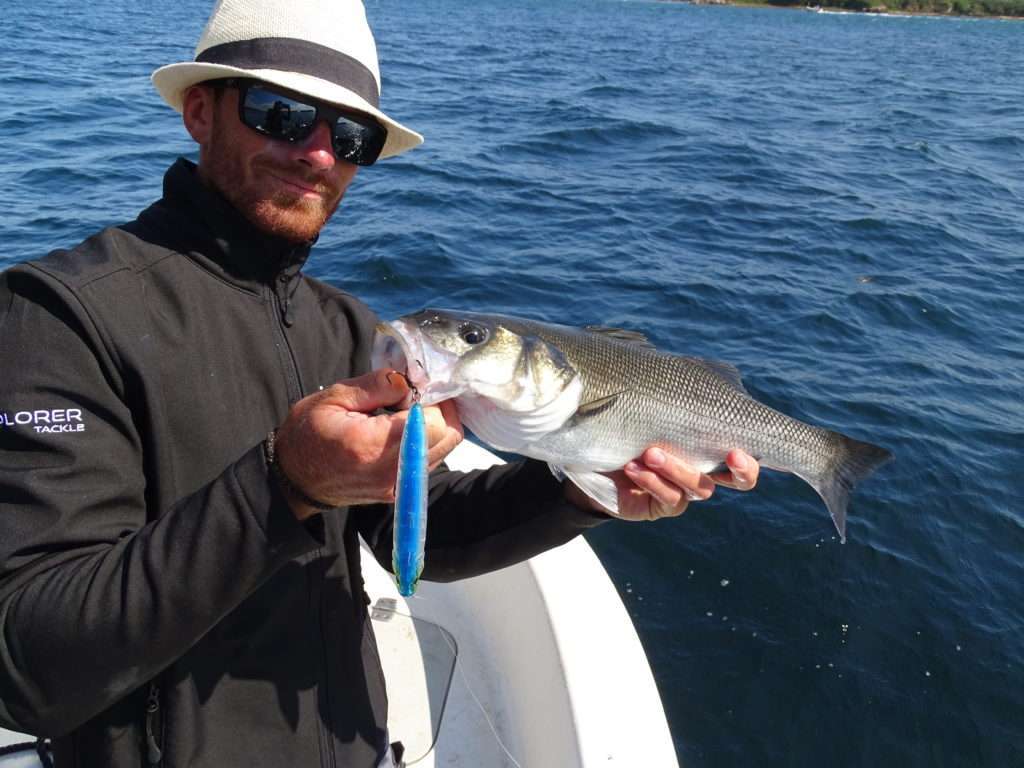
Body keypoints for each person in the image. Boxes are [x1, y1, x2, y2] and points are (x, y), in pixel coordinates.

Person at [0, 0, 760, 766]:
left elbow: (419, 535)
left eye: (352, 136)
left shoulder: (346, 327)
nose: (320, 156)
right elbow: (29, 667)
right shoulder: (58, 317)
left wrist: (579, 492)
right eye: (283, 114)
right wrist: (285, 483)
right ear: (201, 111)